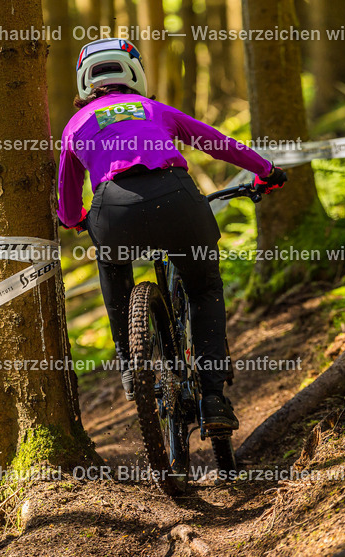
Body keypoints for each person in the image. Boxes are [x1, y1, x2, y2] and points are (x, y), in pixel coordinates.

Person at [57, 38, 286, 430]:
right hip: (176, 199)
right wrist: (265, 170)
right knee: (204, 289)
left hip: (115, 211)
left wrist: (76, 220)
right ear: (136, 73)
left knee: (113, 268)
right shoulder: (152, 108)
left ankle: (130, 365)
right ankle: (214, 398)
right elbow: (217, 143)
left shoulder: (75, 125)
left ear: (84, 81)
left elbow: (66, 197)